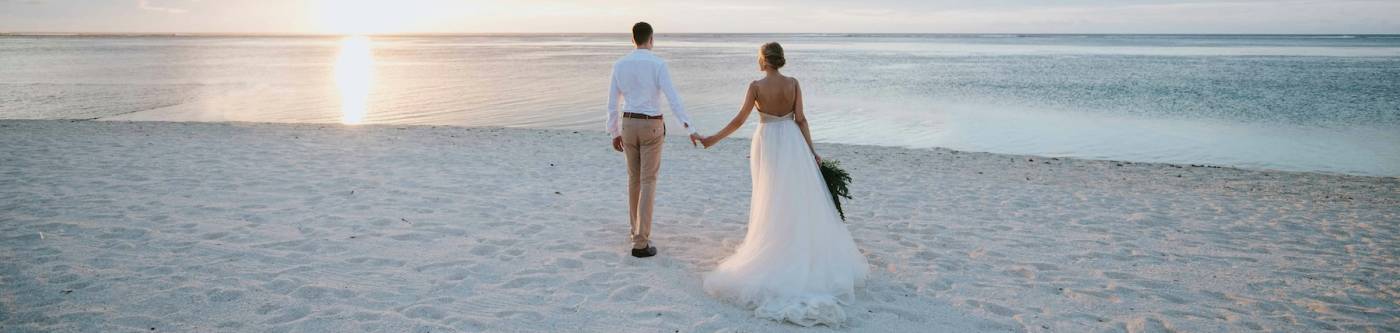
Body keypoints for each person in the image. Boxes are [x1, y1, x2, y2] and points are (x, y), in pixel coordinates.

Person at [695, 42, 869, 327]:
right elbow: (801, 119)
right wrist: (812, 151)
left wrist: (712, 139)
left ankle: (775, 243)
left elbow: (740, 120)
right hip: (792, 141)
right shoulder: (794, 84)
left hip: (767, 141)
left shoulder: (755, 86)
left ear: (763, 60)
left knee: (771, 197)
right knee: (795, 196)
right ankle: (793, 244)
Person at [605, 21, 703, 258]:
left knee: (634, 179)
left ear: (632, 39)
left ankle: (634, 231)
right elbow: (672, 97)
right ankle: (641, 241)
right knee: (648, 180)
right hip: (651, 125)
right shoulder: (658, 64)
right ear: (651, 39)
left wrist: (614, 131)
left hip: (628, 124)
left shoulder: (619, 64)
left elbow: (611, 102)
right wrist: (689, 127)